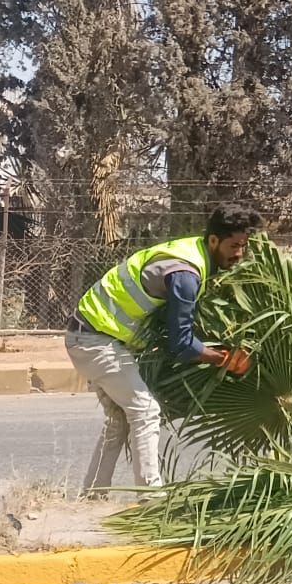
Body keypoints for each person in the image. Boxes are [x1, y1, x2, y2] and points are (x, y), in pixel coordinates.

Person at [64, 205, 263, 493]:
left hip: (90, 334)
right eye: (234, 246)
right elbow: (180, 344)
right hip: (94, 340)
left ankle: (93, 495)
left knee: (120, 420)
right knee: (145, 412)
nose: (239, 254)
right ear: (214, 241)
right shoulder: (186, 274)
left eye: (243, 247)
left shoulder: (192, 251)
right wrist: (225, 359)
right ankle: (151, 500)